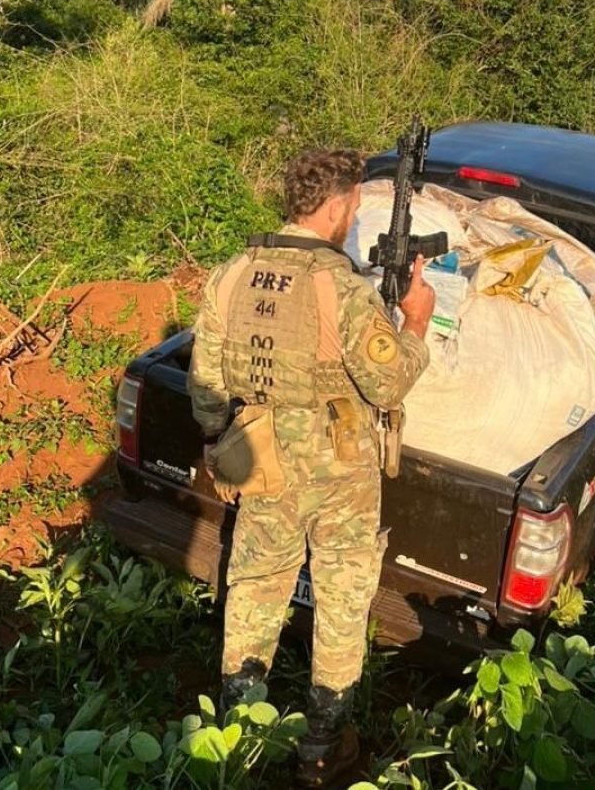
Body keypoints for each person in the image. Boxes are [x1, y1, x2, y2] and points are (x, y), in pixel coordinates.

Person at [187, 148, 436, 786]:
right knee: (342, 597)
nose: (353, 216)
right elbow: (388, 383)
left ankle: (239, 734)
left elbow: (207, 386)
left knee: (253, 590)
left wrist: (222, 442)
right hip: (340, 465)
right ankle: (323, 743)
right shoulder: (344, 289)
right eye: (353, 205)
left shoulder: (231, 275)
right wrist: (415, 321)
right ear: (334, 206)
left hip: (259, 454)